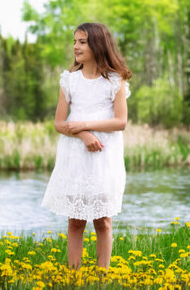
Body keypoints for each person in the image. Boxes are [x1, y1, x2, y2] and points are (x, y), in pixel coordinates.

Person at [41, 22, 131, 270]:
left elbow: (121, 122)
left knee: (103, 220)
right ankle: (74, 274)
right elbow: (60, 124)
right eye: (74, 42)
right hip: (75, 155)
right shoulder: (69, 80)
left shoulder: (115, 80)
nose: (75, 47)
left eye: (82, 42)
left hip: (105, 154)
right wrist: (83, 135)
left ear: (97, 45)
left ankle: (102, 276)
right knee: (76, 219)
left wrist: (85, 125)